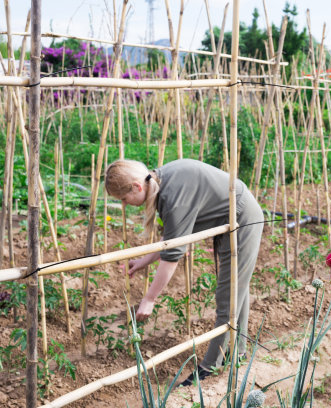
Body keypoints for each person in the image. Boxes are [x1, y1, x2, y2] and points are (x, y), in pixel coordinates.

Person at [104, 158, 264, 386]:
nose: (125, 204)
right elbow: (173, 237)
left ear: (137, 187)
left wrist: (149, 299)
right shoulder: (163, 181)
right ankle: (238, 353)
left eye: (124, 198)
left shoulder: (172, 196)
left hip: (241, 218)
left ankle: (210, 367)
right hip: (233, 215)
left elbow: (172, 257)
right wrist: (144, 261)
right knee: (236, 287)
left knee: (228, 295)